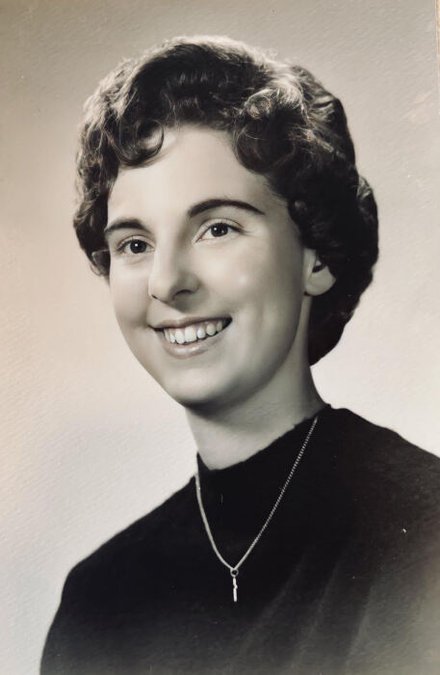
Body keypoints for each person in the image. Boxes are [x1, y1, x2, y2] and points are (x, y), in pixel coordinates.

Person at [41, 36, 440, 674]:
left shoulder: (425, 535)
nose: (167, 283)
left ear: (317, 257)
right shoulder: (98, 602)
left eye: (217, 228)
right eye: (135, 244)